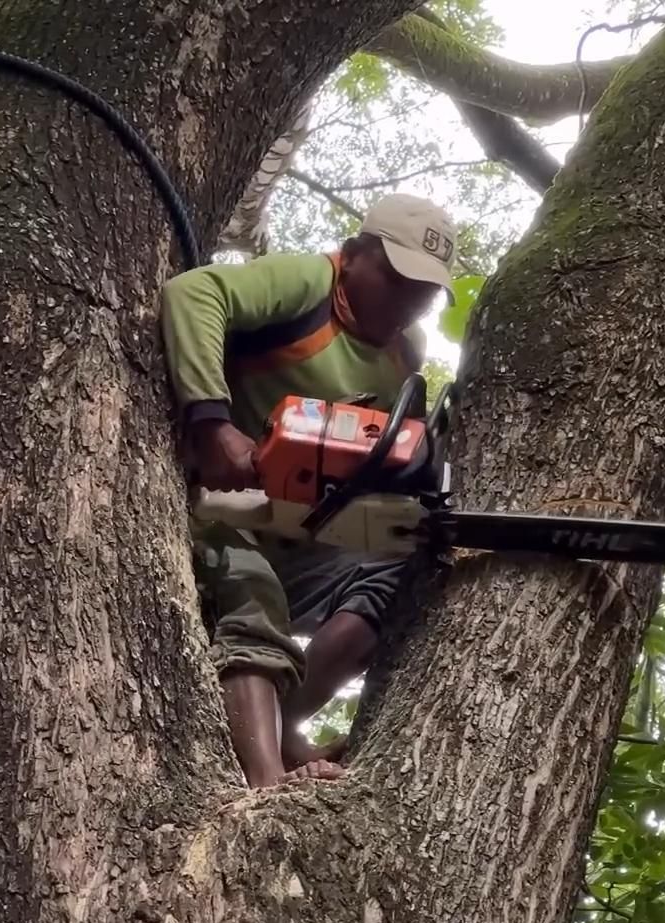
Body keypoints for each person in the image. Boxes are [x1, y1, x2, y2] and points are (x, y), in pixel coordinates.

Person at [160, 192, 457, 787]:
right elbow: (193, 293)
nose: (408, 302)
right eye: (397, 279)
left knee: (400, 581)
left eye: (424, 292)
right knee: (255, 594)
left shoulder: (404, 355)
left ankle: (281, 722)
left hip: (305, 527)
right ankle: (266, 784)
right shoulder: (309, 283)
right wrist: (214, 425)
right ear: (354, 254)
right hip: (221, 512)